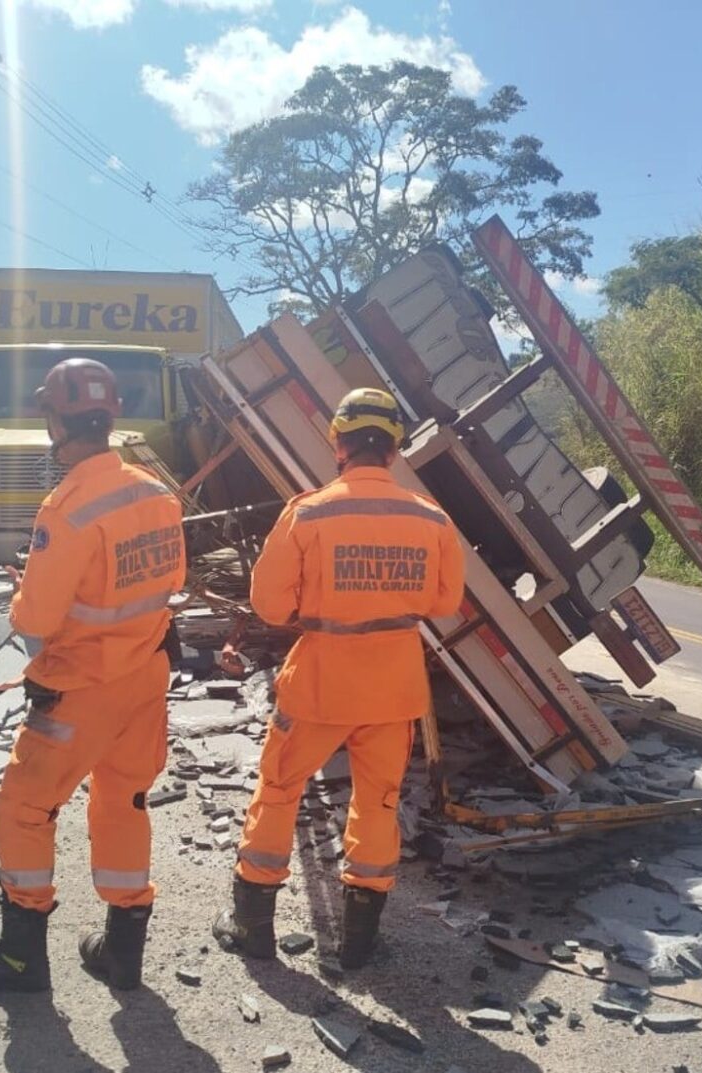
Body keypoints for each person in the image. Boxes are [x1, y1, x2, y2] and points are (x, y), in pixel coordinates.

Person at [0, 358, 185, 993]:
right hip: (145, 677)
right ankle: (122, 953)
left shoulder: (69, 506)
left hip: (80, 687)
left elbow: (38, 619)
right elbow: (166, 583)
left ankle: (19, 959)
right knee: (123, 801)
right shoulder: (155, 492)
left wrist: (25, 592)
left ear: (54, 419)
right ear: (112, 415)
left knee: (22, 809)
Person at [213, 387, 465, 969]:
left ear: (338, 444)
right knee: (378, 802)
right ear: (395, 451)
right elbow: (444, 601)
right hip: (393, 687)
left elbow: (270, 605)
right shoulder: (430, 519)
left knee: (279, 790)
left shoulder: (309, 512)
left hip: (320, 683)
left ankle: (253, 925)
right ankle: (360, 939)